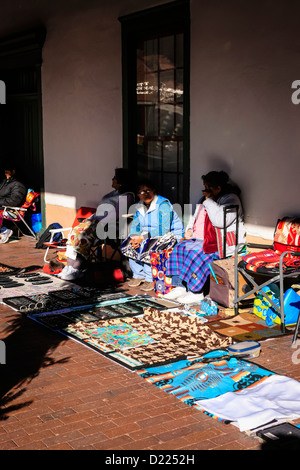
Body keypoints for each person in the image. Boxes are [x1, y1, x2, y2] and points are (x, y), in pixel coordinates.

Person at [164, 170, 245, 304]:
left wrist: (208, 201)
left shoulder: (231, 199)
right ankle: (179, 286)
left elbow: (220, 221)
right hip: (200, 238)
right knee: (179, 248)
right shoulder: (206, 199)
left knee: (197, 254)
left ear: (219, 188)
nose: (204, 191)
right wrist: (189, 229)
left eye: (208, 188)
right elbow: (196, 217)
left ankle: (196, 292)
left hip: (221, 244)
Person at [58, 168, 135, 281]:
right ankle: (70, 266)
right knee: (74, 233)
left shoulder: (127, 195)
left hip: (109, 226)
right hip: (96, 222)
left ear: (120, 181)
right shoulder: (114, 193)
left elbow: (117, 214)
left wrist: (99, 221)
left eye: (115, 178)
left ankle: (78, 267)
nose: (112, 179)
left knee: (82, 237)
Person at [124, 179, 184, 292]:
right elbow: (136, 225)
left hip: (169, 234)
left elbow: (163, 229)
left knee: (148, 245)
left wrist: (142, 238)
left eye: (148, 190)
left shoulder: (163, 204)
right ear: (138, 194)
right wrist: (135, 236)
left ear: (154, 191)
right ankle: (138, 275)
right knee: (130, 243)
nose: (145, 194)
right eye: (142, 192)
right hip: (149, 234)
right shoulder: (139, 206)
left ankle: (149, 277)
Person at [0, 166, 27, 244]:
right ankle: (3, 231)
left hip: (11, 209)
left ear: (13, 172)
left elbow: (14, 201)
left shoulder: (18, 184)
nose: (5, 174)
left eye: (6, 172)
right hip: (3, 206)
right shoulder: (5, 182)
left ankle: (4, 231)